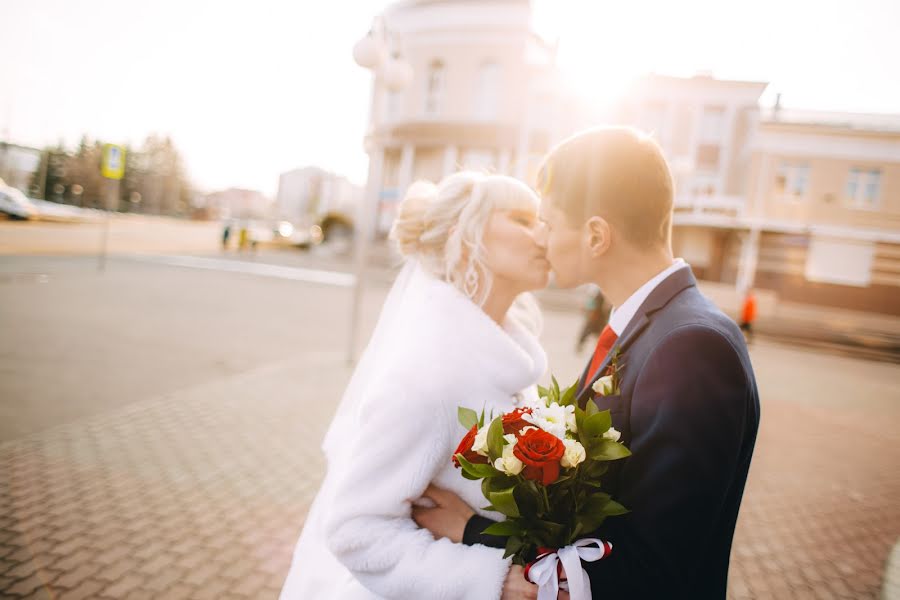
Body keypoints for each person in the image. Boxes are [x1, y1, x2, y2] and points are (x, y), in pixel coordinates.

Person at [414, 127, 761, 599]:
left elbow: (652, 569)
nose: (541, 238)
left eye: (549, 223)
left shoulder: (690, 347)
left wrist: (474, 529)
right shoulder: (649, 326)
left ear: (597, 235)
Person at [279, 172, 551, 600]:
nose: (544, 233)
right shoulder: (428, 373)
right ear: (465, 238)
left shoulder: (511, 366)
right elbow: (355, 530)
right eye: (521, 218)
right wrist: (491, 581)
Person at [576, 287, 612, 352]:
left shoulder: (601, 293)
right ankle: (580, 346)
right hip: (595, 317)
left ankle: (599, 348)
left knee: (599, 334)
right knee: (588, 331)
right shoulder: (597, 293)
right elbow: (591, 303)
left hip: (600, 317)